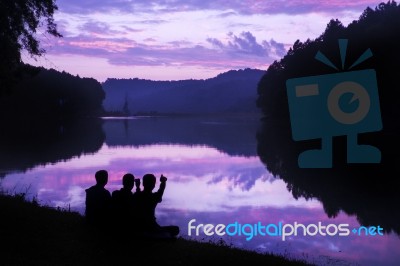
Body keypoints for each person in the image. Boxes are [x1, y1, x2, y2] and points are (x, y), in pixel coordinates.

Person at [136, 173, 179, 238]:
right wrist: (163, 182)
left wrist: (138, 187)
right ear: (153, 185)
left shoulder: (138, 195)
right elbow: (161, 191)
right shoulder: (153, 197)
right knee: (174, 230)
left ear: (143, 184)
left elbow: (138, 195)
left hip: (141, 227)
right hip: (152, 227)